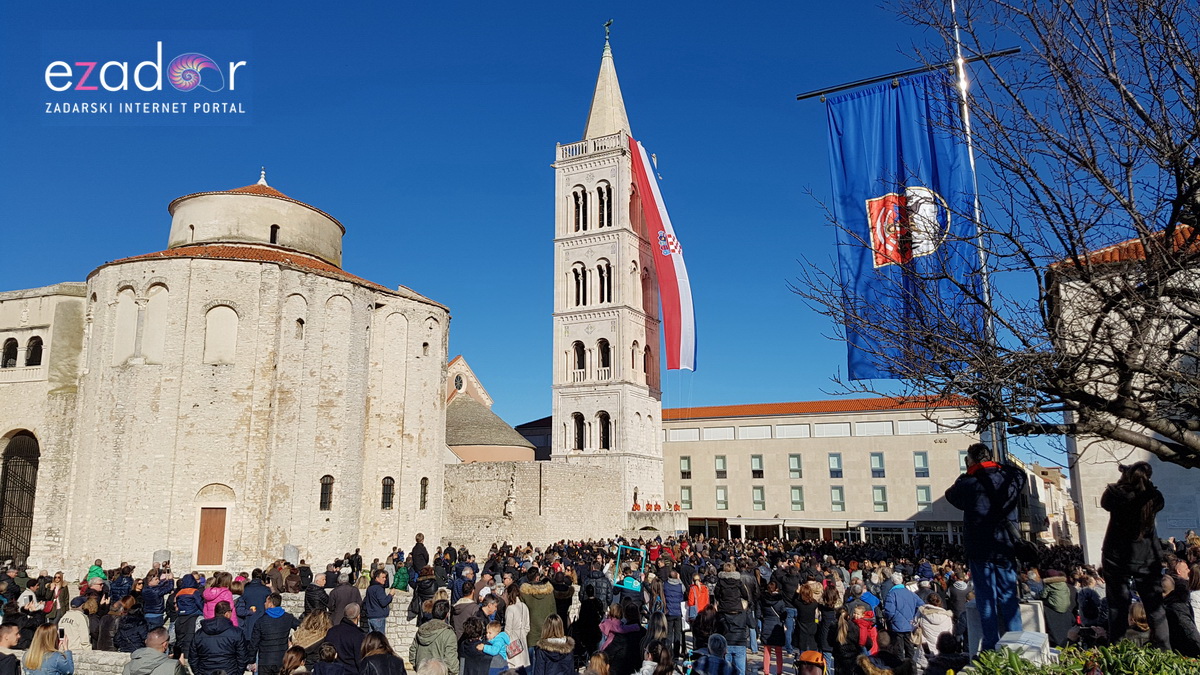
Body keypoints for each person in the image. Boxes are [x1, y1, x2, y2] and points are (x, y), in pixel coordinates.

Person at [944, 442, 1027, 651]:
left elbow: (950, 495)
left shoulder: (968, 484)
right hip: (1005, 546)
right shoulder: (1010, 477)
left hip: (980, 548)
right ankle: (1015, 642)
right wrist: (995, 466)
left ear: (970, 460)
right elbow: (1020, 474)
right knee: (1008, 595)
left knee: (986, 599)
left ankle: (991, 645)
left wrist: (969, 472)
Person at [1099, 461, 1171, 650]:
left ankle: (1116, 651)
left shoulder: (1115, 494)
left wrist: (1123, 479)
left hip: (1116, 558)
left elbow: (1105, 503)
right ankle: (1165, 652)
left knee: (1117, 608)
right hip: (1147, 558)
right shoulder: (1154, 497)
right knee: (1155, 609)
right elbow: (1155, 499)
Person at [188, 600, 249, 675]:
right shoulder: (237, 633)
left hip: (206, 671)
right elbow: (242, 657)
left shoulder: (200, 633)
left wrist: (198, 672)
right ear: (227, 613)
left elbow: (193, 656)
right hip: (229, 671)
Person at [251, 593, 300, 675]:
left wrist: (251, 660)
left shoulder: (260, 621)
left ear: (270, 604)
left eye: (266, 602)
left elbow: (254, 643)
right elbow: (301, 626)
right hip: (282, 659)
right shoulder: (288, 618)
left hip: (265, 660)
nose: (264, 604)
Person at [880, 572, 922, 660]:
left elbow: (889, 611)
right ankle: (911, 666)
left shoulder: (891, 594)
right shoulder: (911, 593)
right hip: (910, 623)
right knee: (909, 647)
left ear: (892, 582)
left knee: (899, 649)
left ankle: (901, 668)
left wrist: (890, 619)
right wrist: (915, 616)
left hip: (896, 624)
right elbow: (921, 605)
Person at [409, 600, 458, 675]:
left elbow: (413, 652)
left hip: (422, 671)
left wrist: (419, 667)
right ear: (447, 615)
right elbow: (451, 662)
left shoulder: (422, 629)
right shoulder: (448, 634)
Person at [519, 569, 556, 649]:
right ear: (537, 577)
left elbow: (521, 613)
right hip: (546, 632)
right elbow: (554, 612)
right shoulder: (549, 592)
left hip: (530, 633)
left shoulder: (524, 593)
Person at [326, 603, 367, 673]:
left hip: (333, 671)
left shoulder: (332, 631)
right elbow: (360, 660)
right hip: (351, 671)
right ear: (358, 616)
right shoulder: (358, 635)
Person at [758, 582, 786, 675]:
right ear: (776, 589)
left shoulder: (762, 600)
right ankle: (779, 671)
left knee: (767, 650)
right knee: (778, 651)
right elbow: (784, 614)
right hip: (777, 625)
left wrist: (763, 618)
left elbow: (758, 614)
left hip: (767, 623)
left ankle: (766, 670)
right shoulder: (780, 600)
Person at [501, 585, 530, 671]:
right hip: (522, 643)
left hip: (512, 644)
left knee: (513, 668)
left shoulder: (510, 608)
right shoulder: (524, 606)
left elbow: (507, 629)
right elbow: (527, 627)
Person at [363, 570, 395, 634]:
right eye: (383, 577)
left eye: (385, 577)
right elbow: (383, 602)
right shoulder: (379, 588)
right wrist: (390, 595)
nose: (385, 579)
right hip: (378, 617)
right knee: (380, 639)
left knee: (372, 639)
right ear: (377, 578)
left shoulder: (370, 588)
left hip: (371, 616)